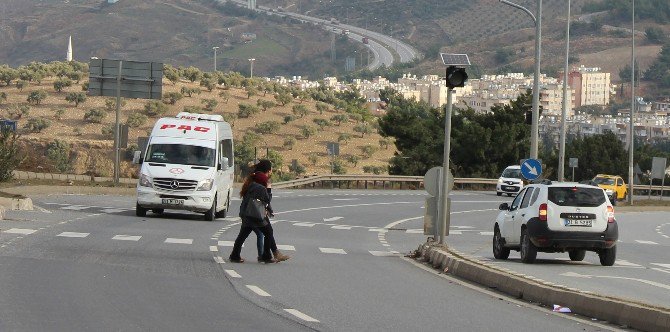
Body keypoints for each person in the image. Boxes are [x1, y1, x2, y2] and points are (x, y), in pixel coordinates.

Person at [229, 160, 290, 263]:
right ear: (268, 169)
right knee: (268, 231)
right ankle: (267, 255)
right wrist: (269, 190)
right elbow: (266, 198)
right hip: (255, 213)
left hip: (247, 211)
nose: (271, 171)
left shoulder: (255, 176)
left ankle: (235, 255)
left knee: (244, 233)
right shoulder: (262, 179)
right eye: (271, 169)